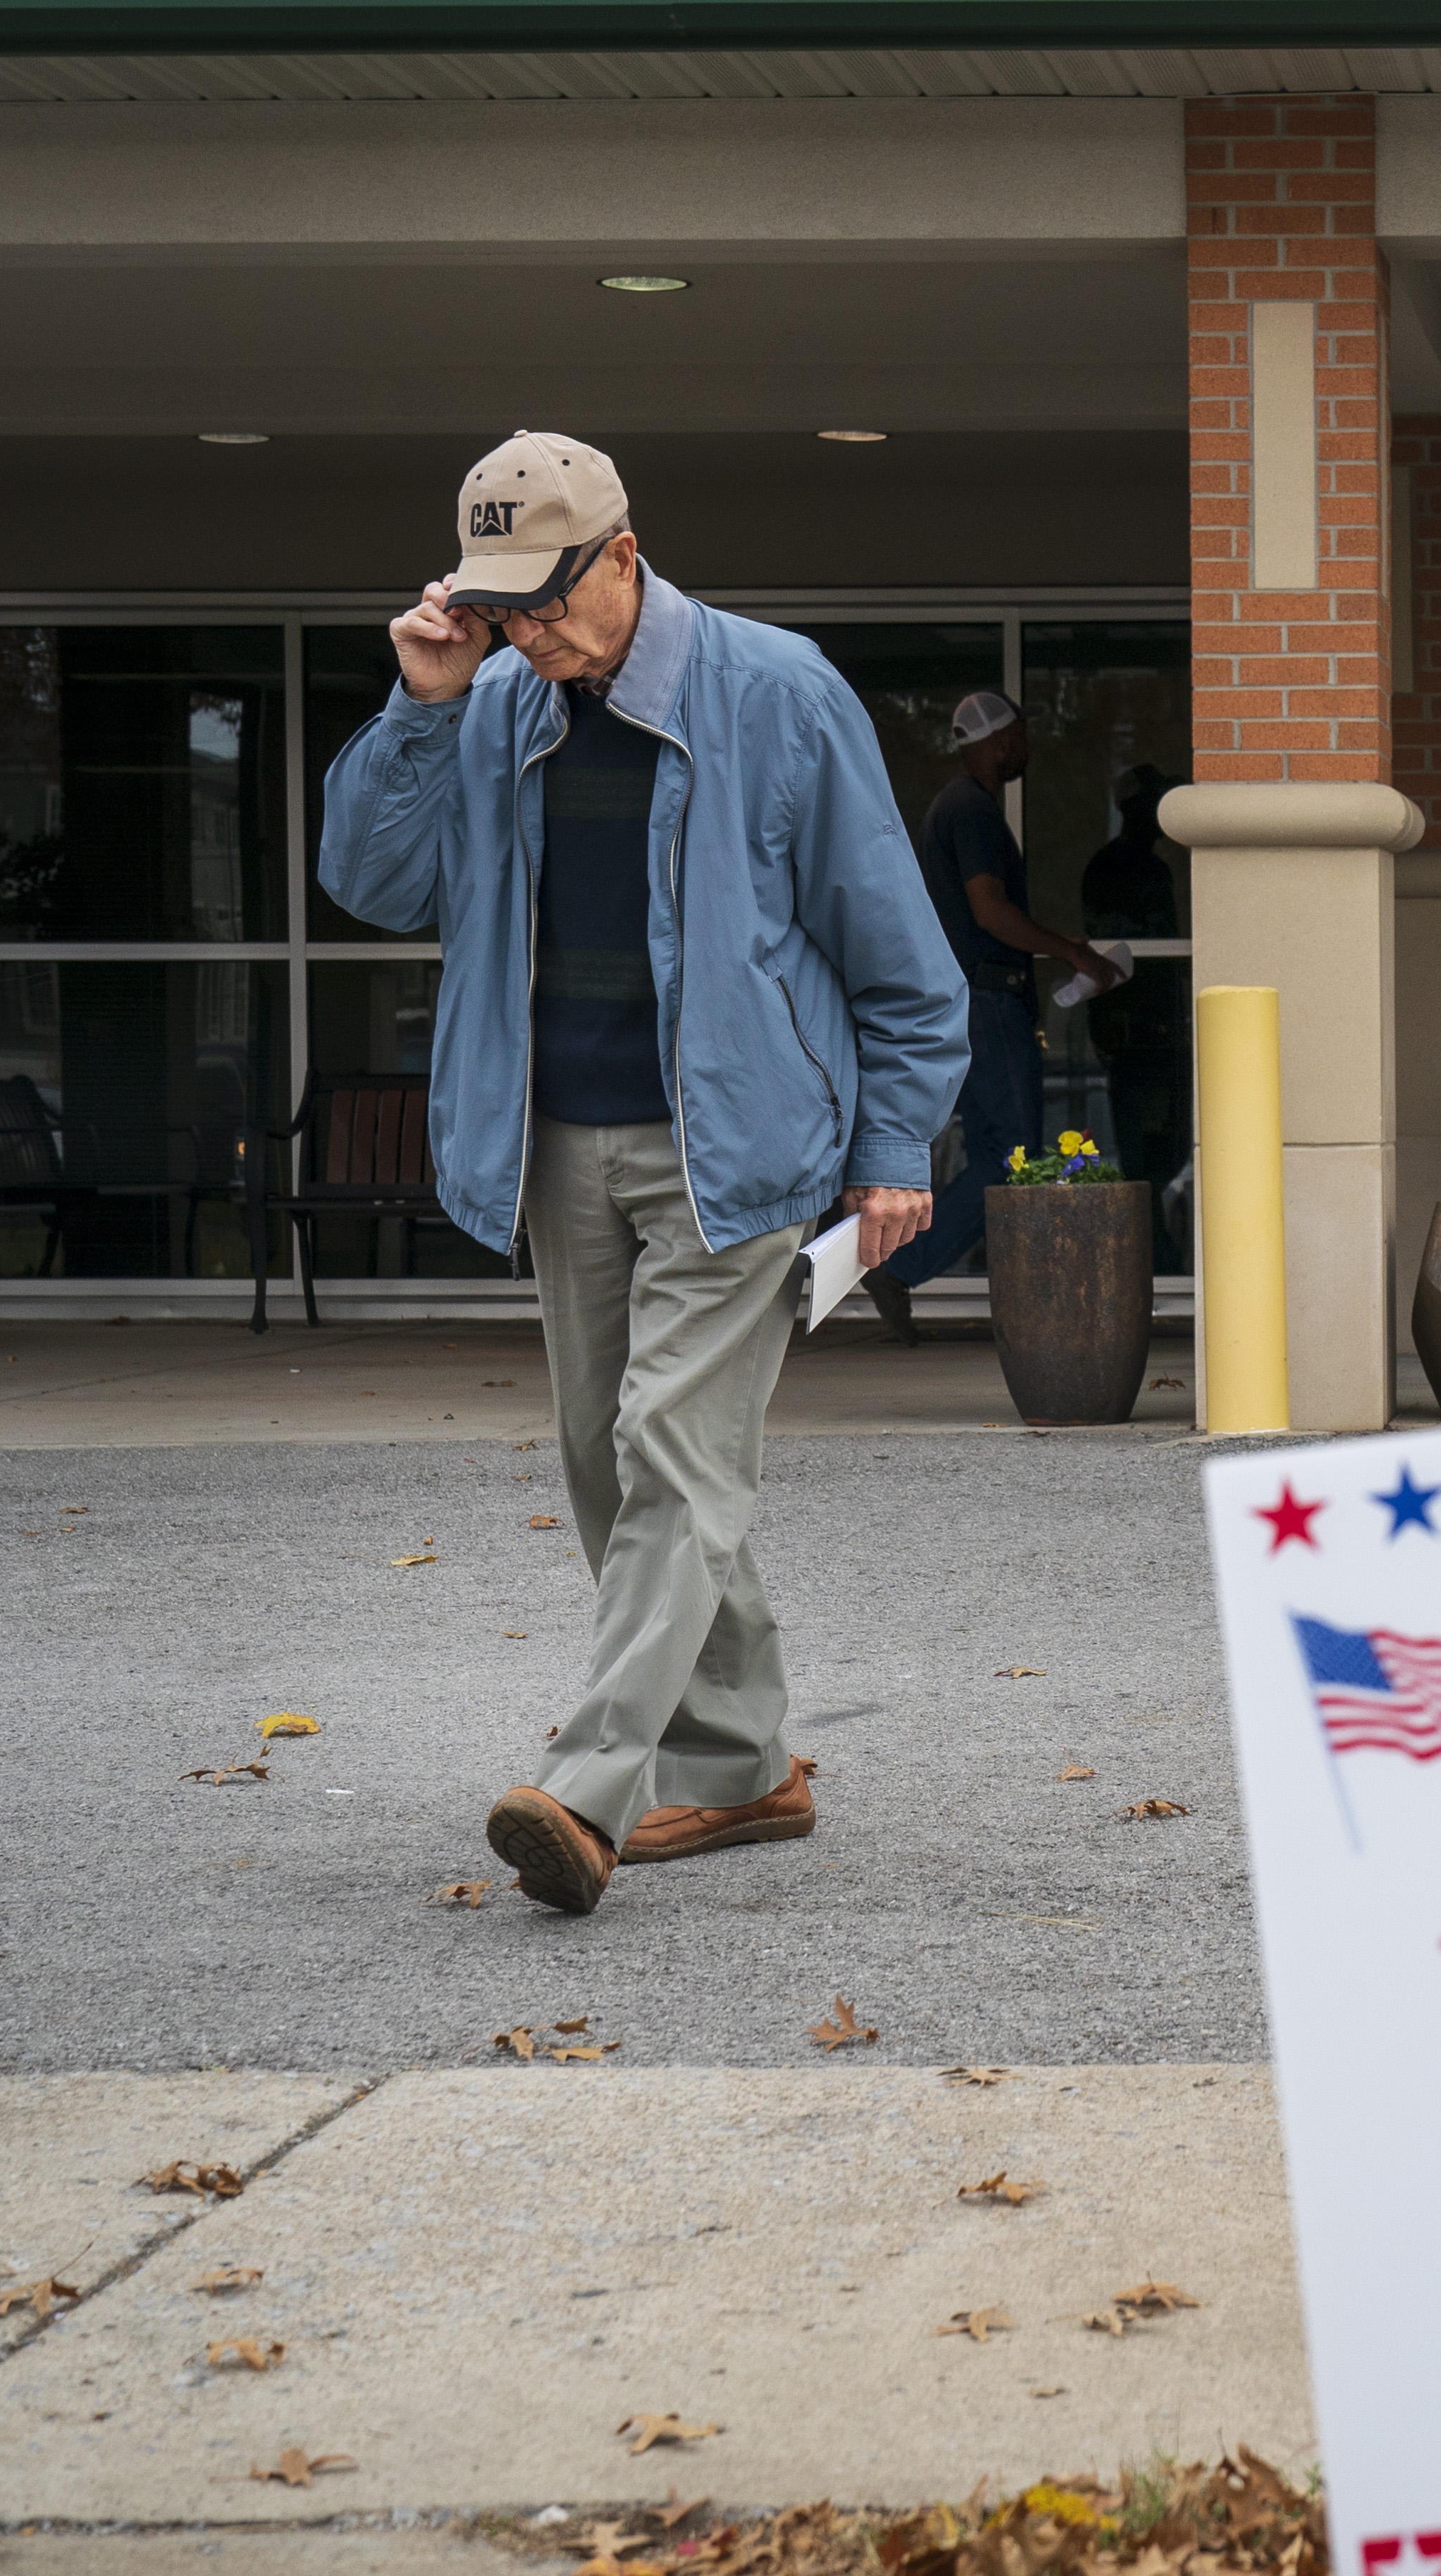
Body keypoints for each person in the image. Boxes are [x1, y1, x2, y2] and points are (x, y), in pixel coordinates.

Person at [315, 431, 965, 1914]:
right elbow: (369, 880)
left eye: (547, 601)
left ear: (623, 554)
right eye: (500, 607)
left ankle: (590, 1785)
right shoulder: (479, 706)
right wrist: (420, 703)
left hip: (735, 1146)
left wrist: (888, 1151)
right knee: (613, 1468)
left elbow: (893, 951)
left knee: (675, 1452)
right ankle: (742, 1772)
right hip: (556, 1144)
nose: (526, 633)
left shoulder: (776, 689)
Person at [866, 692, 1123, 1333]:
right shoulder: (972, 811)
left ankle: (910, 1265)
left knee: (996, 1156)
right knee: (1014, 1159)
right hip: (987, 1001)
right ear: (1004, 740)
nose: (1027, 750)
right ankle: (914, 1266)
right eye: (1023, 737)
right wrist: (1071, 951)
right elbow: (990, 911)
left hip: (974, 1000)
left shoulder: (956, 807)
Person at [1078, 764, 1192, 1201]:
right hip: (1133, 1036)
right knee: (1143, 1151)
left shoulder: (1154, 868)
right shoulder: (1112, 869)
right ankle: (1151, 1247)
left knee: (1168, 1146)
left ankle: (1157, 1244)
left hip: (1160, 1032)